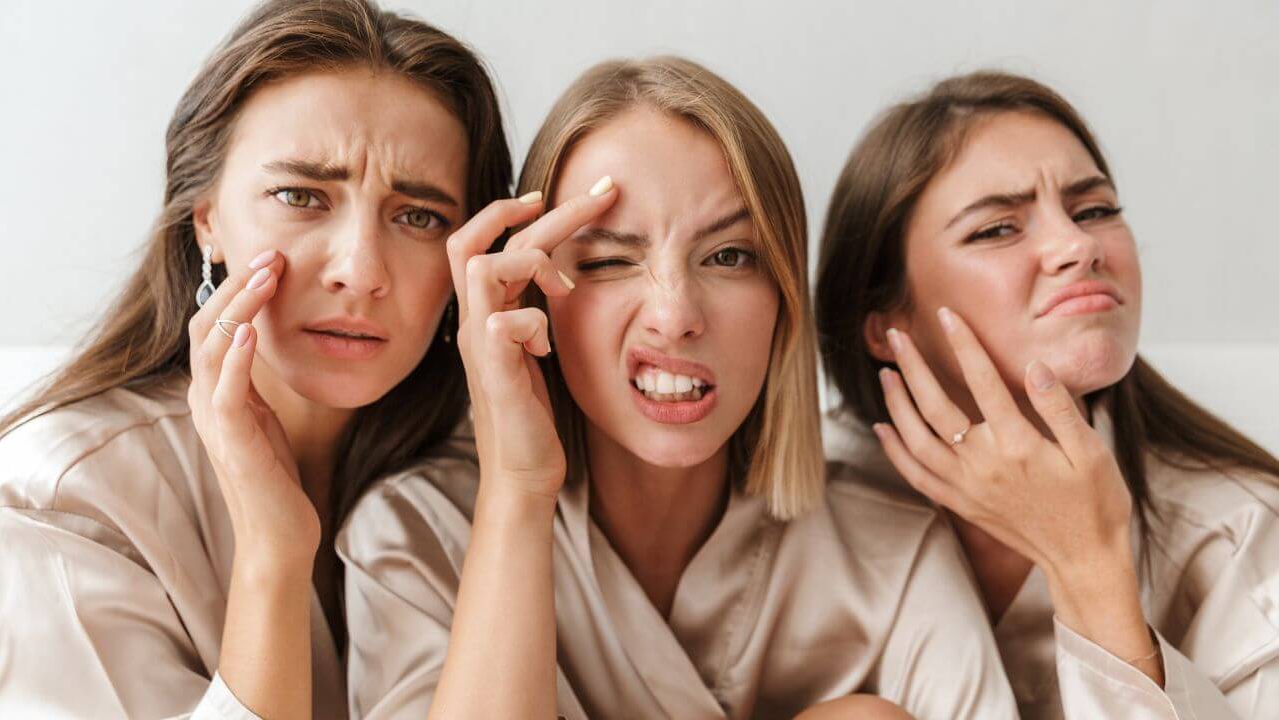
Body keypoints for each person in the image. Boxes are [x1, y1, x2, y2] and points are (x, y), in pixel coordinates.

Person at [339, 56, 1018, 719]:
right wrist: (517, 490)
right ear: (528, 294)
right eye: (609, 260)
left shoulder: (890, 554)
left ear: (784, 295)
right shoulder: (416, 533)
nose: (675, 317)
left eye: (728, 257)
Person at [0, 1, 511, 717]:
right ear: (206, 217)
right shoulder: (61, 505)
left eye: (418, 216)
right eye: (301, 196)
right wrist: (274, 552)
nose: (361, 270)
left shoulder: (483, 478)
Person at [816, 70, 1279, 719]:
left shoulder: (1245, 541)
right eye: (997, 229)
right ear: (886, 325)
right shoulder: (806, 503)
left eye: (1094, 210)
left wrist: (1087, 565)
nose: (1078, 245)